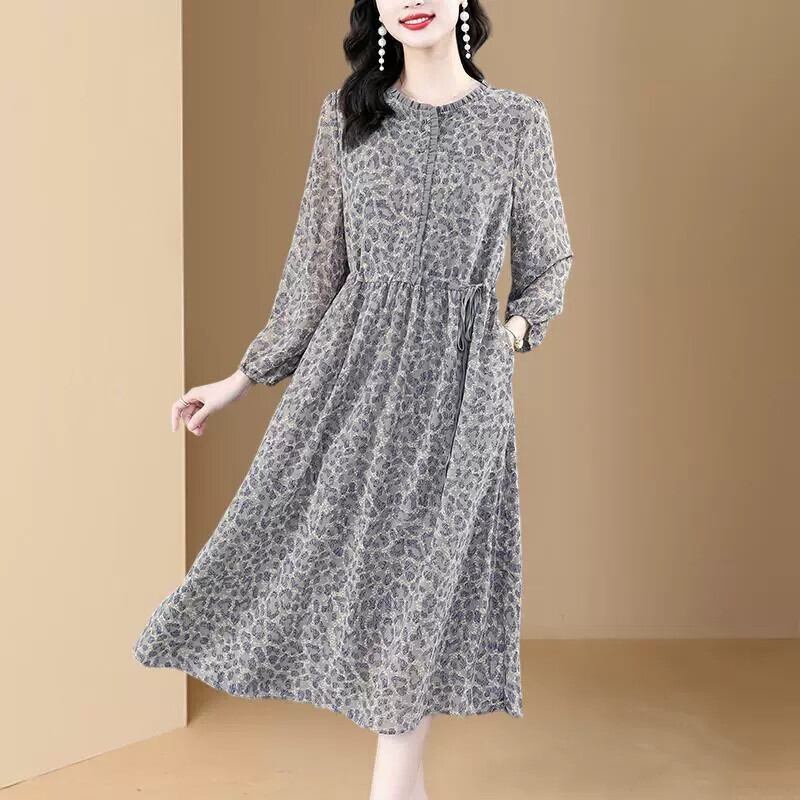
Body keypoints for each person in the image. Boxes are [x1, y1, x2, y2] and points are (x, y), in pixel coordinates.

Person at [133, 0, 574, 797]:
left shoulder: (518, 123)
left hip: (461, 400)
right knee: (359, 592)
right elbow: (314, 271)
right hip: (353, 387)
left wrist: (508, 335)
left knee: (421, 606)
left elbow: (548, 263)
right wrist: (241, 378)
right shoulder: (345, 119)